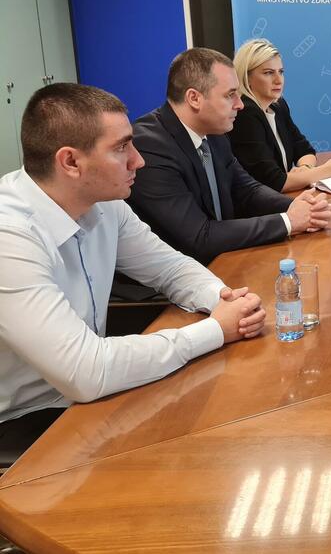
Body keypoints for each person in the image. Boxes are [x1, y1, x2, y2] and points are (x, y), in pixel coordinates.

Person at [0, 83, 265, 456]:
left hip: (86, 397)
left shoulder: (103, 201)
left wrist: (223, 300)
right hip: (24, 419)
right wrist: (216, 330)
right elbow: (86, 372)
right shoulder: (10, 237)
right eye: (121, 147)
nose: (138, 160)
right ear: (71, 162)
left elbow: (169, 267)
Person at [129, 48, 331, 265]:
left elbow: (247, 190)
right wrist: (288, 221)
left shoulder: (214, 132)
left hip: (222, 262)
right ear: (194, 98)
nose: (240, 104)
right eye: (229, 95)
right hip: (178, 276)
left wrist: (296, 206)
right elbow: (199, 236)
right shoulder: (149, 146)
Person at [229, 38, 331, 191]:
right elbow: (274, 182)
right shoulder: (245, 114)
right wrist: (328, 170)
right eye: (268, 73)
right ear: (246, 77)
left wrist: (305, 168)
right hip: (259, 203)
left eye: (281, 72)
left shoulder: (278, 106)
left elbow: (304, 150)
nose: (279, 80)